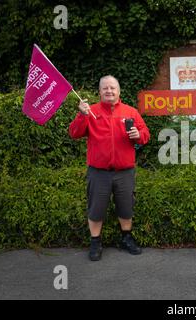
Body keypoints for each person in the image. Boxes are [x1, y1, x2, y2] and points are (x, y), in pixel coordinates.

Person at [69, 75, 150, 261]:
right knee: (96, 208)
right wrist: (82, 115)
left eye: (112, 88)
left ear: (119, 91)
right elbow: (74, 133)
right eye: (105, 88)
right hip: (98, 172)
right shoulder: (90, 111)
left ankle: (126, 238)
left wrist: (138, 134)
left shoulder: (130, 112)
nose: (109, 91)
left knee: (126, 207)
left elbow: (145, 134)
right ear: (100, 92)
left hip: (125, 171)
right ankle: (95, 241)